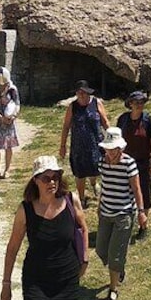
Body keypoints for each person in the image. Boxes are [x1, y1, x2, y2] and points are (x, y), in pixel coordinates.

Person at [0, 156, 88, 300]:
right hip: (36, 282)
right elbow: (13, 247)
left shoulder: (71, 200)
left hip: (67, 280)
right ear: (35, 180)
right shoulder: (25, 210)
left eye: (55, 177)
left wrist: (85, 259)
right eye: (46, 178)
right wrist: (6, 284)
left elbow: (83, 228)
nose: (52, 182)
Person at [96, 127, 146, 300]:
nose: (109, 153)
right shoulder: (102, 162)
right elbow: (104, 185)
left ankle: (113, 289)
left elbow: (137, 189)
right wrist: (100, 205)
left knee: (115, 254)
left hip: (123, 214)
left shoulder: (129, 164)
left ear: (120, 149)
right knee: (101, 250)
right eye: (107, 149)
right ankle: (119, 269)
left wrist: (141, 212)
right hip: (106, 212)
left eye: (113, 149)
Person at [116, 91, 151, 241]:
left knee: (144, 195)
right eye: (136, 102)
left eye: (141, 102)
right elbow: (117, 141)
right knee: (125, 193)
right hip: (125, 163)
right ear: (130, 104)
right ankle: (124, 224)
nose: (139, 105)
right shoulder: (122, 119)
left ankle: (143, 226)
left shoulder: (148, 120)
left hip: (143, 164)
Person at [59, 80, 110, 209]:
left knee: (95, 169)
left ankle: (93, 184)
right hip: (79, 146)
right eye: (78, 92)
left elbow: (105, 122)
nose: (81, 95)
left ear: (88, 92)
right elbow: (66, 126)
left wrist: (112, 140)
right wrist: (63, 146)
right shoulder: (73, 106)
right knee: (80, 173)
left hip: (96, 144)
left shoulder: (96, 103)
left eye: (83, 92)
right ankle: (81, 198)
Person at [0, 67, 20, 179]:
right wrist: (0, 117)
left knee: (8, 146)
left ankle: (7, 170)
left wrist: (13, 116)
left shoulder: (12, 89)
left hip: (9, 121)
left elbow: (17, 104)